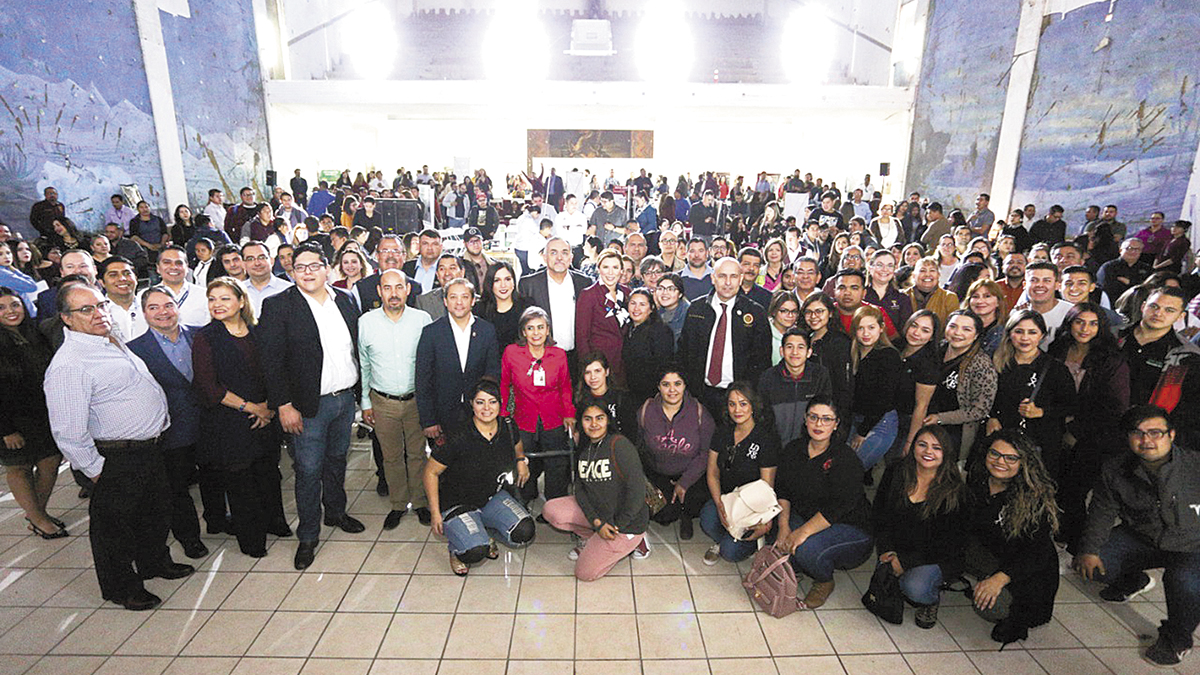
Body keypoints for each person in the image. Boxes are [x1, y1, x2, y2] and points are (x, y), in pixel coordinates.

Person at [44, 284, 195, 610]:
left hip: (149, 448)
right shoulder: (70, 364)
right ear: (66, 318)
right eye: (86, 309)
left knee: (154, 512)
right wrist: (95, 470)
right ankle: (122, 588)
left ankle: (154, 563)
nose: (99, 313)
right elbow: (67, 430)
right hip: (116, 455)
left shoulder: (109, 340)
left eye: (101, 305)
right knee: (114, 528)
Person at [257, 244, 365, 570]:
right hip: (306, 407)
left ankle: (336, 512)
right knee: (307, 470)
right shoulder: (279, 306)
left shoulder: (345, 300)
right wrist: (283, 405)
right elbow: (271, 362)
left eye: (314, 265)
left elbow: (355, 349)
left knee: (337, 460)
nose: (307, 272)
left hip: (344, 400)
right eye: (300, 267)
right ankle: (308, 535)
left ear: (327, 269)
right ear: (292, 273)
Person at [1076, 405, 1200, 667]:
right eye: (1138, 433)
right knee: (1095, 563)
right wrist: (1089, 550)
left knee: (1185, 583)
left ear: (1171, 435)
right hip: (1143, 538)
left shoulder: (1194, 465)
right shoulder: (1115, 468)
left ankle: (1178, 639)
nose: (1146, 440)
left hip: (1191, 544)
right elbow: (1101, 511)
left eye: (1155, 432)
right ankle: (1134, 580)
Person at [191, 278, 288, 558]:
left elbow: (275, 369)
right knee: (241, 482)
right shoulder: (206, 338)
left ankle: (274, 522)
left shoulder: (258, 331)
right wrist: (252, 408)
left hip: (265, 415)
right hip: (229, 421)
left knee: (268, 473)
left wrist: (268, 407)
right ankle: (251, 540)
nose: (217, 305)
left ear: (241, 301)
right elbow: (209, 387)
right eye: (212, 299)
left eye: (225, 298)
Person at [126, 287, 209, 558]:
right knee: (177, 488)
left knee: (215, 478)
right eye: (154, 307)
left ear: (177, 307)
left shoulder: (202, 335)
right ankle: (189, 538)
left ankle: (218, 520)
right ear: (144, 313)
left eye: (168, 305)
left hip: (211, 423)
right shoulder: (135, 350)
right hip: (171, 431)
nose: (163, 312)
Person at [424, 378, 535, 575]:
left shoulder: (508, 426)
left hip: (492, 497)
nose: (486, 408)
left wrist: (521, 461)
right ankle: (457, 550)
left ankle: (483, 531)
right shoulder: (457, 435)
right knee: (475, 551)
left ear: (500, 403)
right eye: (480, 402)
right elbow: (430, 472)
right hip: (457, 502)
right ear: (471, 404)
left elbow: (517, 445)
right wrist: (434, 513)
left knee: (524, 531)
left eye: (492, 401)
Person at [774, 397, 874, 608]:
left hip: (848, 525)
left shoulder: (845, 458)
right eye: (813, 417)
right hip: (808, 515)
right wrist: (783, 527)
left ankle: (824, 580)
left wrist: (802, 533)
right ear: (805, 419)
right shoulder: (793, 449)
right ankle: (797, 565)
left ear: (836, 424)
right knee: (776, 532)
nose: (819, 424)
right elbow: (782, 489)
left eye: (826, 419)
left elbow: (839, 507)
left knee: (805, 548)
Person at [964, 429, 1060, 645]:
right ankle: (985, 579)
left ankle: (1015, 619)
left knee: (990, 607)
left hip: (1029, 572)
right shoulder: (978, 480)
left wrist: (999, 579)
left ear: (1024, 462)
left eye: (1011, 458)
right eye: (994, 454)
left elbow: (1037, 555)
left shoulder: (1034, 497)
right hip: (995, 554)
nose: (1000, 462)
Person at [1047, 303, 1129, 552]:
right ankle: (1058, 535)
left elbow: (1115, 407)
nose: (1085, 329)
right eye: (1079, 322)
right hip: (1054, 426)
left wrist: (1076, 431)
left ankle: (1079, 548)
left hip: (1092, 436)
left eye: (1093, 323)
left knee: (1074, 492)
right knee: (1055, 486)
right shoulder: (1058, 348)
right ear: (1069, 323)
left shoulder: (1111, 360)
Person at [871, 425, 967, 629]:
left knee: (914, 587)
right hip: (898, 547)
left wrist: (905, 562)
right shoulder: (895, 471)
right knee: (887, 573)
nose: (928, 452)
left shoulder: (955, 491)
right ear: (913, 446)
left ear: (946, 453)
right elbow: (880, 515)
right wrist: (887, 549)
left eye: (936, 448)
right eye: (922, 444)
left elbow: (948, 544)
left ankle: (931, 599)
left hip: (936, 555)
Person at [543, 398, 650, 580]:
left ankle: (638, 541)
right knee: (551, 509)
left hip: (626, 524)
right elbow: (580, 491)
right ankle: (593, 538)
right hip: (602, 516)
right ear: (580, 422)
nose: (594, 424)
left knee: (584, 573)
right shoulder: (585, 450)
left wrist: (617, 525)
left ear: (607, 420)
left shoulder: (619, 445)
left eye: (599, 418)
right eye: (587, 419)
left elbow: (637, 491)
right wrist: (597, 523)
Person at [359, 269, 433, 529]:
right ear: (379, 291)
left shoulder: (422, 320)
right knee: (391, 457)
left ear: (408, 290)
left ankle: (421, 502)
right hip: (383, 401)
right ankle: (398, 504)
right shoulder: (366, 322)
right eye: (387, 288)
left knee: (417, 455)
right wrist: (365, 403)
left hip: (416, 401)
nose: (393, 293)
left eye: (399, 287)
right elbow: (364, 365)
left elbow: (430, 364)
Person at [0, 287, 66, 539]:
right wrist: (6, 430)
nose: (10, 311)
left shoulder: (35, 333)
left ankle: (36, 513)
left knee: (51, 461)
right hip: (10, 419)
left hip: (42, 414)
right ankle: (39, 519)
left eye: (14, 305)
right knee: (20, 468)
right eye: (1, 308)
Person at [415, 279, 502, 469]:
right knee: (446, 468)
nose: (459, 302)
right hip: (443, 415)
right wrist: (428, 420)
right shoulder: (431, 332)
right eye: (453, 297)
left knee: (479, 464)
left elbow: (493, 371)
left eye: (464, 297)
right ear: (445, 301)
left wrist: (487, 408)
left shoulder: (486, 330)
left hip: (479, 413)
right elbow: (423, 380)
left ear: (473, 300)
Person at [985, 310, 1076, 477]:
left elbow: (1071, 406)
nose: (1025, 338)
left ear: (1042, 336)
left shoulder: (1055, 368)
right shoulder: (998, 363)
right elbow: (986, 397)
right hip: (1001, 440)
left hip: (1040, 442)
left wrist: (1041, 412)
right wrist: (991, 417)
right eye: (1019, 331)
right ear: (1009, 334)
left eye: (1032, 332)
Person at [501, 307, 576, 508]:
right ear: (523, 332)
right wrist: (503, 414)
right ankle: (524, 498)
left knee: (556, 463)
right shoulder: (511, 353)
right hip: (523, 418)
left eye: (540, 327)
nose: (536, 333)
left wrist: (569, 413)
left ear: (548, 330)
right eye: (530, 328)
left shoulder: (559, 355)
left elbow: (565, 387)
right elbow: (504, 385)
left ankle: (555, 505)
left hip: (553, 417)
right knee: (524, 460)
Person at [677, 257, 771, 416]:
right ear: (713, 278)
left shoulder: (755, 312)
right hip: (700, 395)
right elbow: (684, 352)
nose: (728, 282)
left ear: (741, 279)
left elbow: (762, 360)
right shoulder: (696, 309)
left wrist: (747, 393)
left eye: (733, 276)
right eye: (722, 276)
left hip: (739, 399)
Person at [699, 383, 779, 564]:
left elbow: (767, 488)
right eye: (732, 404)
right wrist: (720, 505)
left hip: (752, 507)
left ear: (753, 406)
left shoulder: (765, 439)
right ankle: (727, 538)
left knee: (730, 553)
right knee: (707, 518)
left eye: (743, 404)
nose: (737, 410)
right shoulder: (722, 432)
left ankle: (737, 542)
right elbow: (712, 472)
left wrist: (764, 522)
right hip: (728, 499)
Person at [636, 368, 714, 540]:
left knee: (695, 500)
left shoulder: (700, 413)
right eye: (666, 384)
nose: (672, 390)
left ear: (685, 385)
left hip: (691, 475)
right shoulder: (646, 410)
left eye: (677, 384)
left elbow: (706, 453)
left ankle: (687, 515)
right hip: (659, 472)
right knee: (664, 516)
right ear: (658, 387)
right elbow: (638, 445)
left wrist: (684, 482)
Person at [925, 311, 998, 454]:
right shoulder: (938, 349)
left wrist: (940, 418)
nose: (957, 333)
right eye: (953, 326)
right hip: (924, 420)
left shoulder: (981, 364)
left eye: (966, 329)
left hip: (953, 432)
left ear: (976, 335)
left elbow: (980, 410)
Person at [518, 237, 590, 361]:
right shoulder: (528, 285)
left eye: (564, 253)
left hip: (576, 357)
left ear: (571, 258)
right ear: (544, 257)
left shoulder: (584, 283)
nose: (559, 258)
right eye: (553, 253)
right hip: (542, 358)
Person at [849, 305, 903, 470]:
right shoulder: (854, 353)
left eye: (871, 327)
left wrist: (862, 432)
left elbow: (883, 399)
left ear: (881, 328)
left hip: (880, 422)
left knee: (854, 470)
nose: (866, 333)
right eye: (860, 328)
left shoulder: (889, 356)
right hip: (855, 419)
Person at [575, 249, 630, 387]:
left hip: (624, 361)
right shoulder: (589, 295)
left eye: (615, 267)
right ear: (599, 269)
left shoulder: (627, 292)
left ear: (621, 271)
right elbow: (582, 336)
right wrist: (589, 367)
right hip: (600, 363)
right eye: (606, 267)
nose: (610, 272)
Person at [801, 292, 853, 432]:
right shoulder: (805, 339)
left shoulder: (840, 342)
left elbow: (844, 386)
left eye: (819, 311)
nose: (813, 316)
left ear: (830, 313)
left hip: (830, 413)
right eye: (809, 312)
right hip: (807, 410)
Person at [621, 288, 675, 404]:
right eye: (633, 303)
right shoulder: (627, 328)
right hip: (630, 391)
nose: (636, 308)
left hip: (651, 396)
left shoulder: (661, 331)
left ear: (651, 308)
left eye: (642, 304)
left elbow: (663, 367)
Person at [576, 351, 637, 438]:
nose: (593, 377)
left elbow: (631, 432)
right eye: (588, 372)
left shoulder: (621, 398)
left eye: (597, 371)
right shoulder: (579, 400)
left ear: (606, 372)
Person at [476, 261, 529, 352]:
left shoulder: (526, 306)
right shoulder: (479, 310)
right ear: (490, 284)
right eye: (497, 280)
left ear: (513, 282)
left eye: (507, 279)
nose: (503, 285)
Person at [864, 249, 912, 333]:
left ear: (895, 269)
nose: (885, 269)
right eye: (879, 265)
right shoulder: (861, 295)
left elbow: (905, 331)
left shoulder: (902, 299)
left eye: (890, 266)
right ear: (869, 267)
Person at [964, 278, 1009, 355]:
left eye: (987, 296)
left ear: (998, 302)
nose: (980, 301)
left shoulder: (1007, 330)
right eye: (975, 296)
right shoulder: (960, 325)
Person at [653, 273, 689, 343]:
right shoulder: (655, 312)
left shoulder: (688, 314)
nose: (665, 293)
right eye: (660, 288)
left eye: (671, 289)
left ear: (680, 294)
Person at [767, 291, 800, 366]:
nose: (790, 315)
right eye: (784, 311)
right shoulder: (764, 332)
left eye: (794, 311)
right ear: (774, 311)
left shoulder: (799, 334)